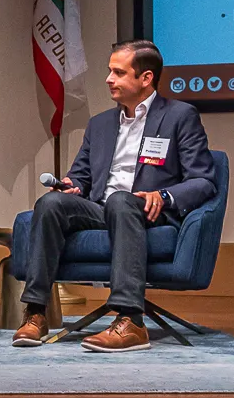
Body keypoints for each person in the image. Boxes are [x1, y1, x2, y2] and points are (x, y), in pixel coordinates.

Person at [12, 39, 216, 352]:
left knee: (123, 200)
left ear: (145, 78)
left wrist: (163, 195)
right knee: (52, 203)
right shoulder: (100, 124)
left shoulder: (179, 116)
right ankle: (36, 313)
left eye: (118, 73)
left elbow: (203, 180)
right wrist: (72, 185)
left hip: (146, 211)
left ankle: (131, 321)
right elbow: (81, 175)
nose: (109, 79)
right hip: (101, 208)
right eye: (110, 71)